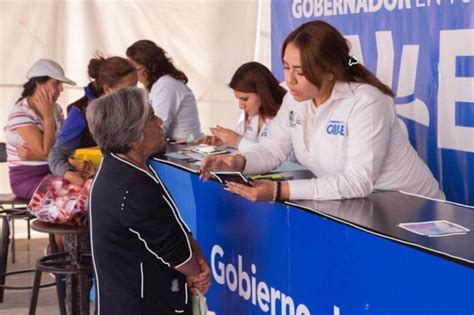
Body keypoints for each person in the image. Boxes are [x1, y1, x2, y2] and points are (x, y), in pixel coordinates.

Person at [200, 20, 443, 202]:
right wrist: (239, 161)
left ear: (330, 71)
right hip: (365, 206)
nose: (290, 80)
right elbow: (274, 149)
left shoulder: (366, 102)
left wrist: (281, 191)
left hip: (414, 207)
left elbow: (358, 180)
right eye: (286, 67)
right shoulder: (295, 98)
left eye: (301, 71)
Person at [87, 87, 210, 314]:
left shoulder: (121, 168)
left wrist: (195, 263)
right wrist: (195, 272)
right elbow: (173, 248)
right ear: (134, 136)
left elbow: (172, 227)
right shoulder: (132, 186)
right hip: (139, 304)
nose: (160, 120)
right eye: (152, 117)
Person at [48, 55, 138, 187]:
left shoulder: (133, 108)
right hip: (99, 185)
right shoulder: (80, 112)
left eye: (136, 86)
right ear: (107, 89)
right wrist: (70, 174)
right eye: (129, 88)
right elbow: (56, 154)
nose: (135, 93)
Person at [5, 59, 75, 199]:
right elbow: (47, 151)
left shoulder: (56, 109)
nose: (61, 89)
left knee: (86, 184)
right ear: (39, 84)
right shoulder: (21, 113)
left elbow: (66, 145)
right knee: (73, 191)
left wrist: (35, 156)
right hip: (28, 179)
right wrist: (48, 117)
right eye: (56, 83)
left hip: (55, 171)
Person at [126, 40, 203, 142]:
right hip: (182, 144)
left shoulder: (166, 85)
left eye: (135, 70)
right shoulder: (160, 85)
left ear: (149, 67)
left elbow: (158, 127)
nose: (134, 76)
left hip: (185, 147)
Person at [201, 62, 287, 152]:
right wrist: (223, 141)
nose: (241, 106)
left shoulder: (285, 117)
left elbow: (277, 156)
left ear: (262, 92)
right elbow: (238, 138)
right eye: (239, 99)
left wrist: (237, 142)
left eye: (245, 99)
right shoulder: (252, 116)